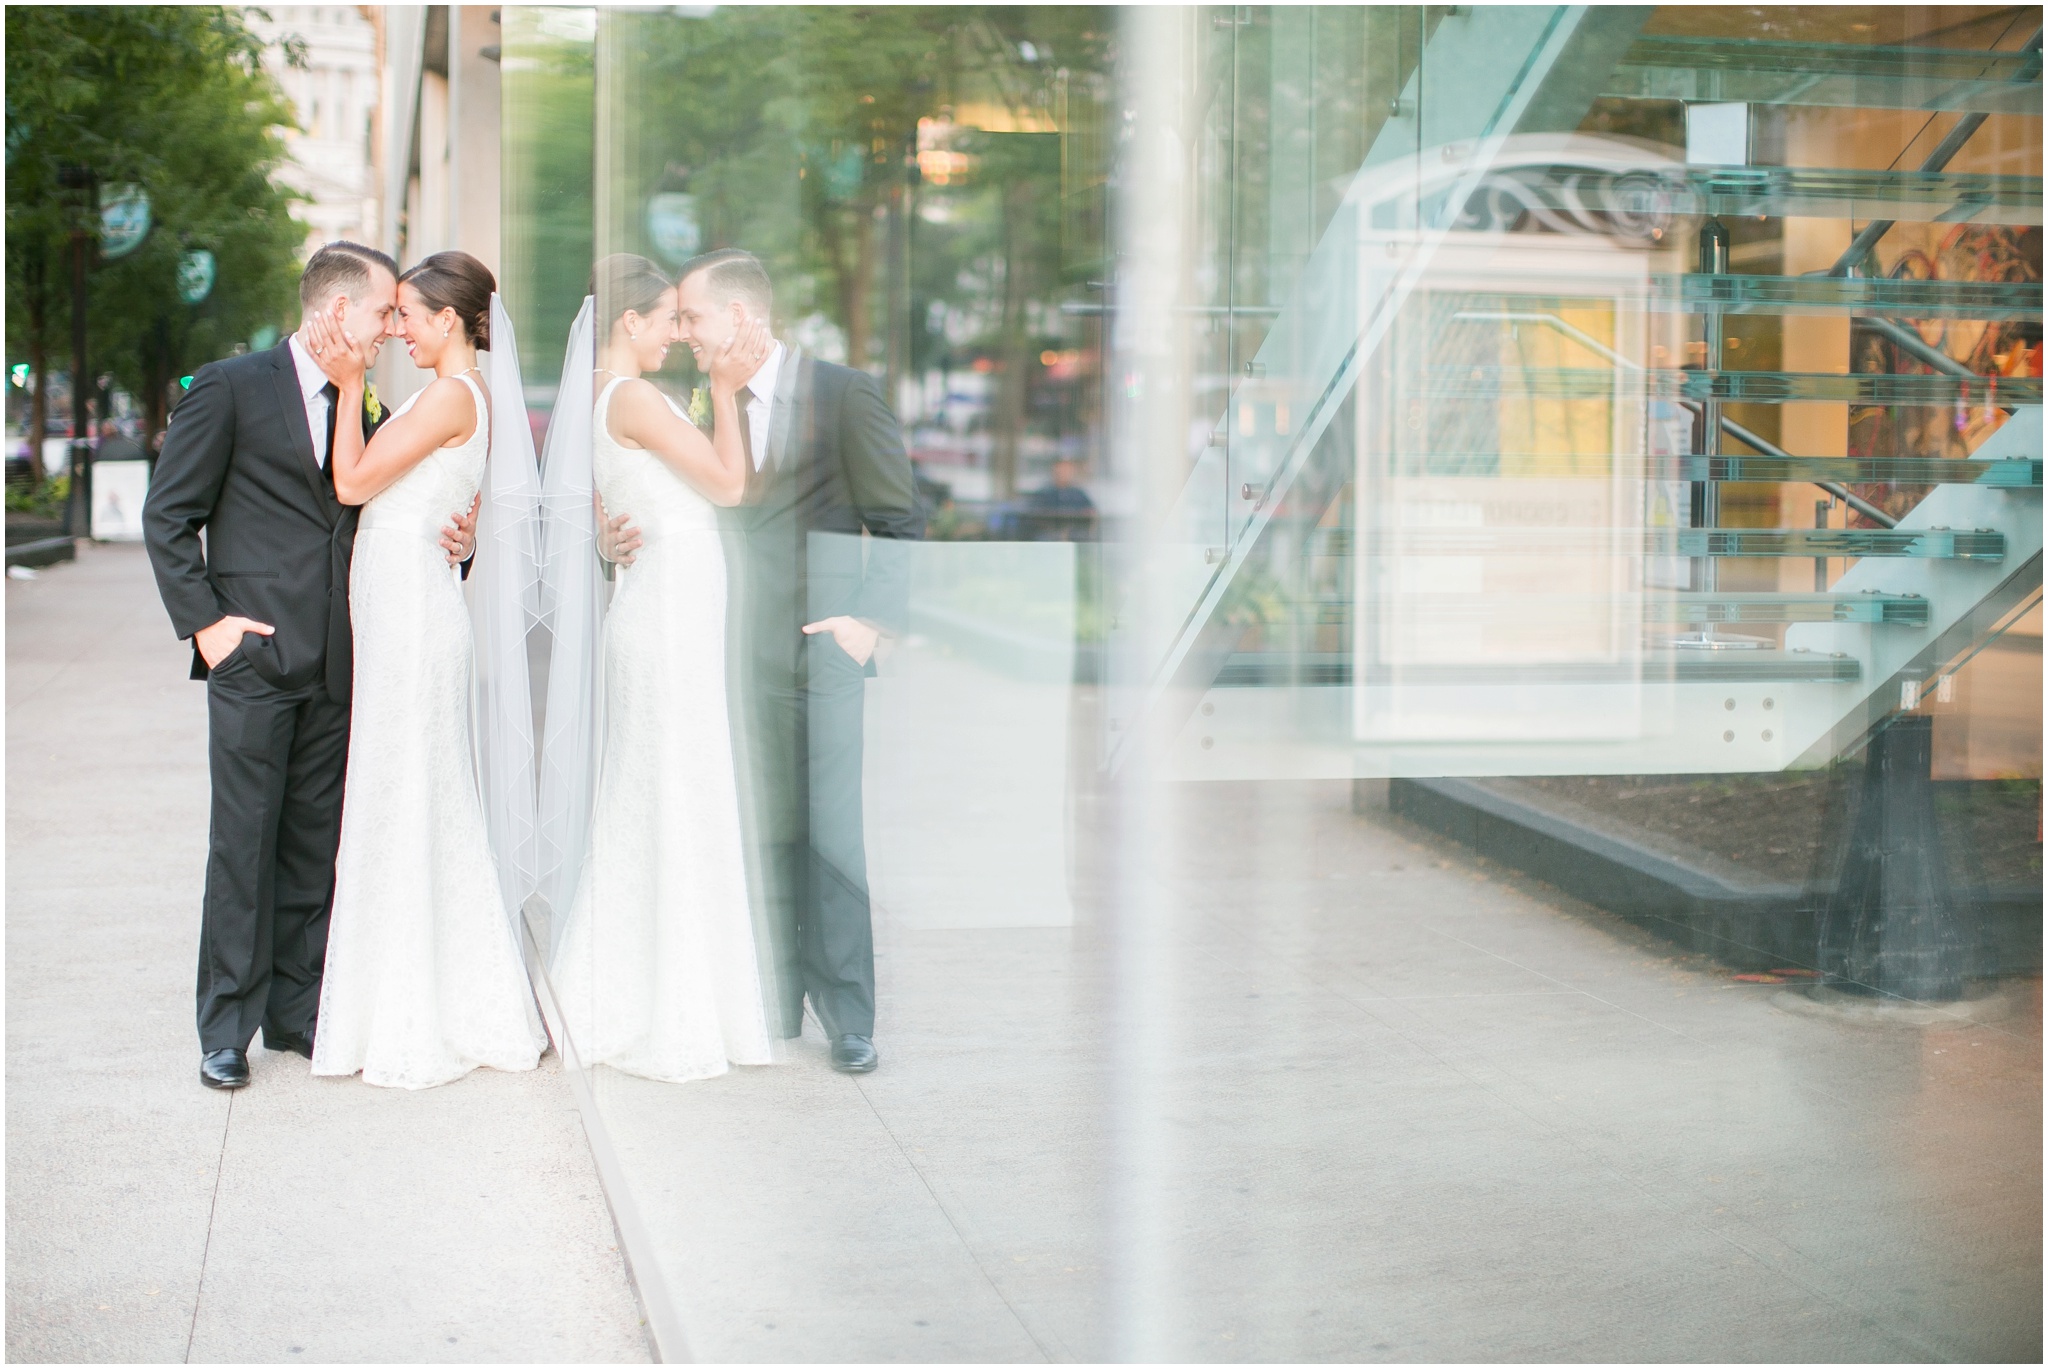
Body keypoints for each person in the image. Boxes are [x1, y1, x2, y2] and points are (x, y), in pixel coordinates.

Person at [143, 242, 479, 1091]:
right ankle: (226, 1026)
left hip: (347, 660)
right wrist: (208, 629)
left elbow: (393, 510)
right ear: (334, 309)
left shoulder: (369, 402)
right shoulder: (230, 385)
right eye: (380, 314)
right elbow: (168, 514)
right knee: (242, 846)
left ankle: (299, 1011)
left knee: (312, 847)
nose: (387, 331)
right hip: (253, 656)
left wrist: (460, 548)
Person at [599, 248, 924, 1074]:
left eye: (695, 319)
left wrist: (869, 624)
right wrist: (613, 542)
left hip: (823, 650)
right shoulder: (699, 403)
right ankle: (774, 997)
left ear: (742, 317)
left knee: (832, 834)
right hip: (724, 654)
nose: (686, 335)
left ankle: (850, 1013)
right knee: (760, 828)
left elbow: (898, 516)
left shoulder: (845, 392)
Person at [298, 250, 548, 1089]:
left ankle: (411, 1007)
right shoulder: (460, 394)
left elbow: (354, 478)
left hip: (411, 607)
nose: (396, 328)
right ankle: (417, 992)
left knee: (404, 790)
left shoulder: (449, 393)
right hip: (408, 597)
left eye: (407, 314)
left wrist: (339, 388)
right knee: (413, 790)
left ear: (449, 320)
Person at [542, 255, 774, 1082]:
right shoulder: (633, 395)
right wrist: (731, 388)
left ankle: (643, 986)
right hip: (669, 606)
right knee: (675, 786)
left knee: (660, 786)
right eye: (670, 318)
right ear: (629, 323)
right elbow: (727, 482)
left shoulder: (611, 399)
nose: (682, 333)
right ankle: (665, 998)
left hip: (665, 602)